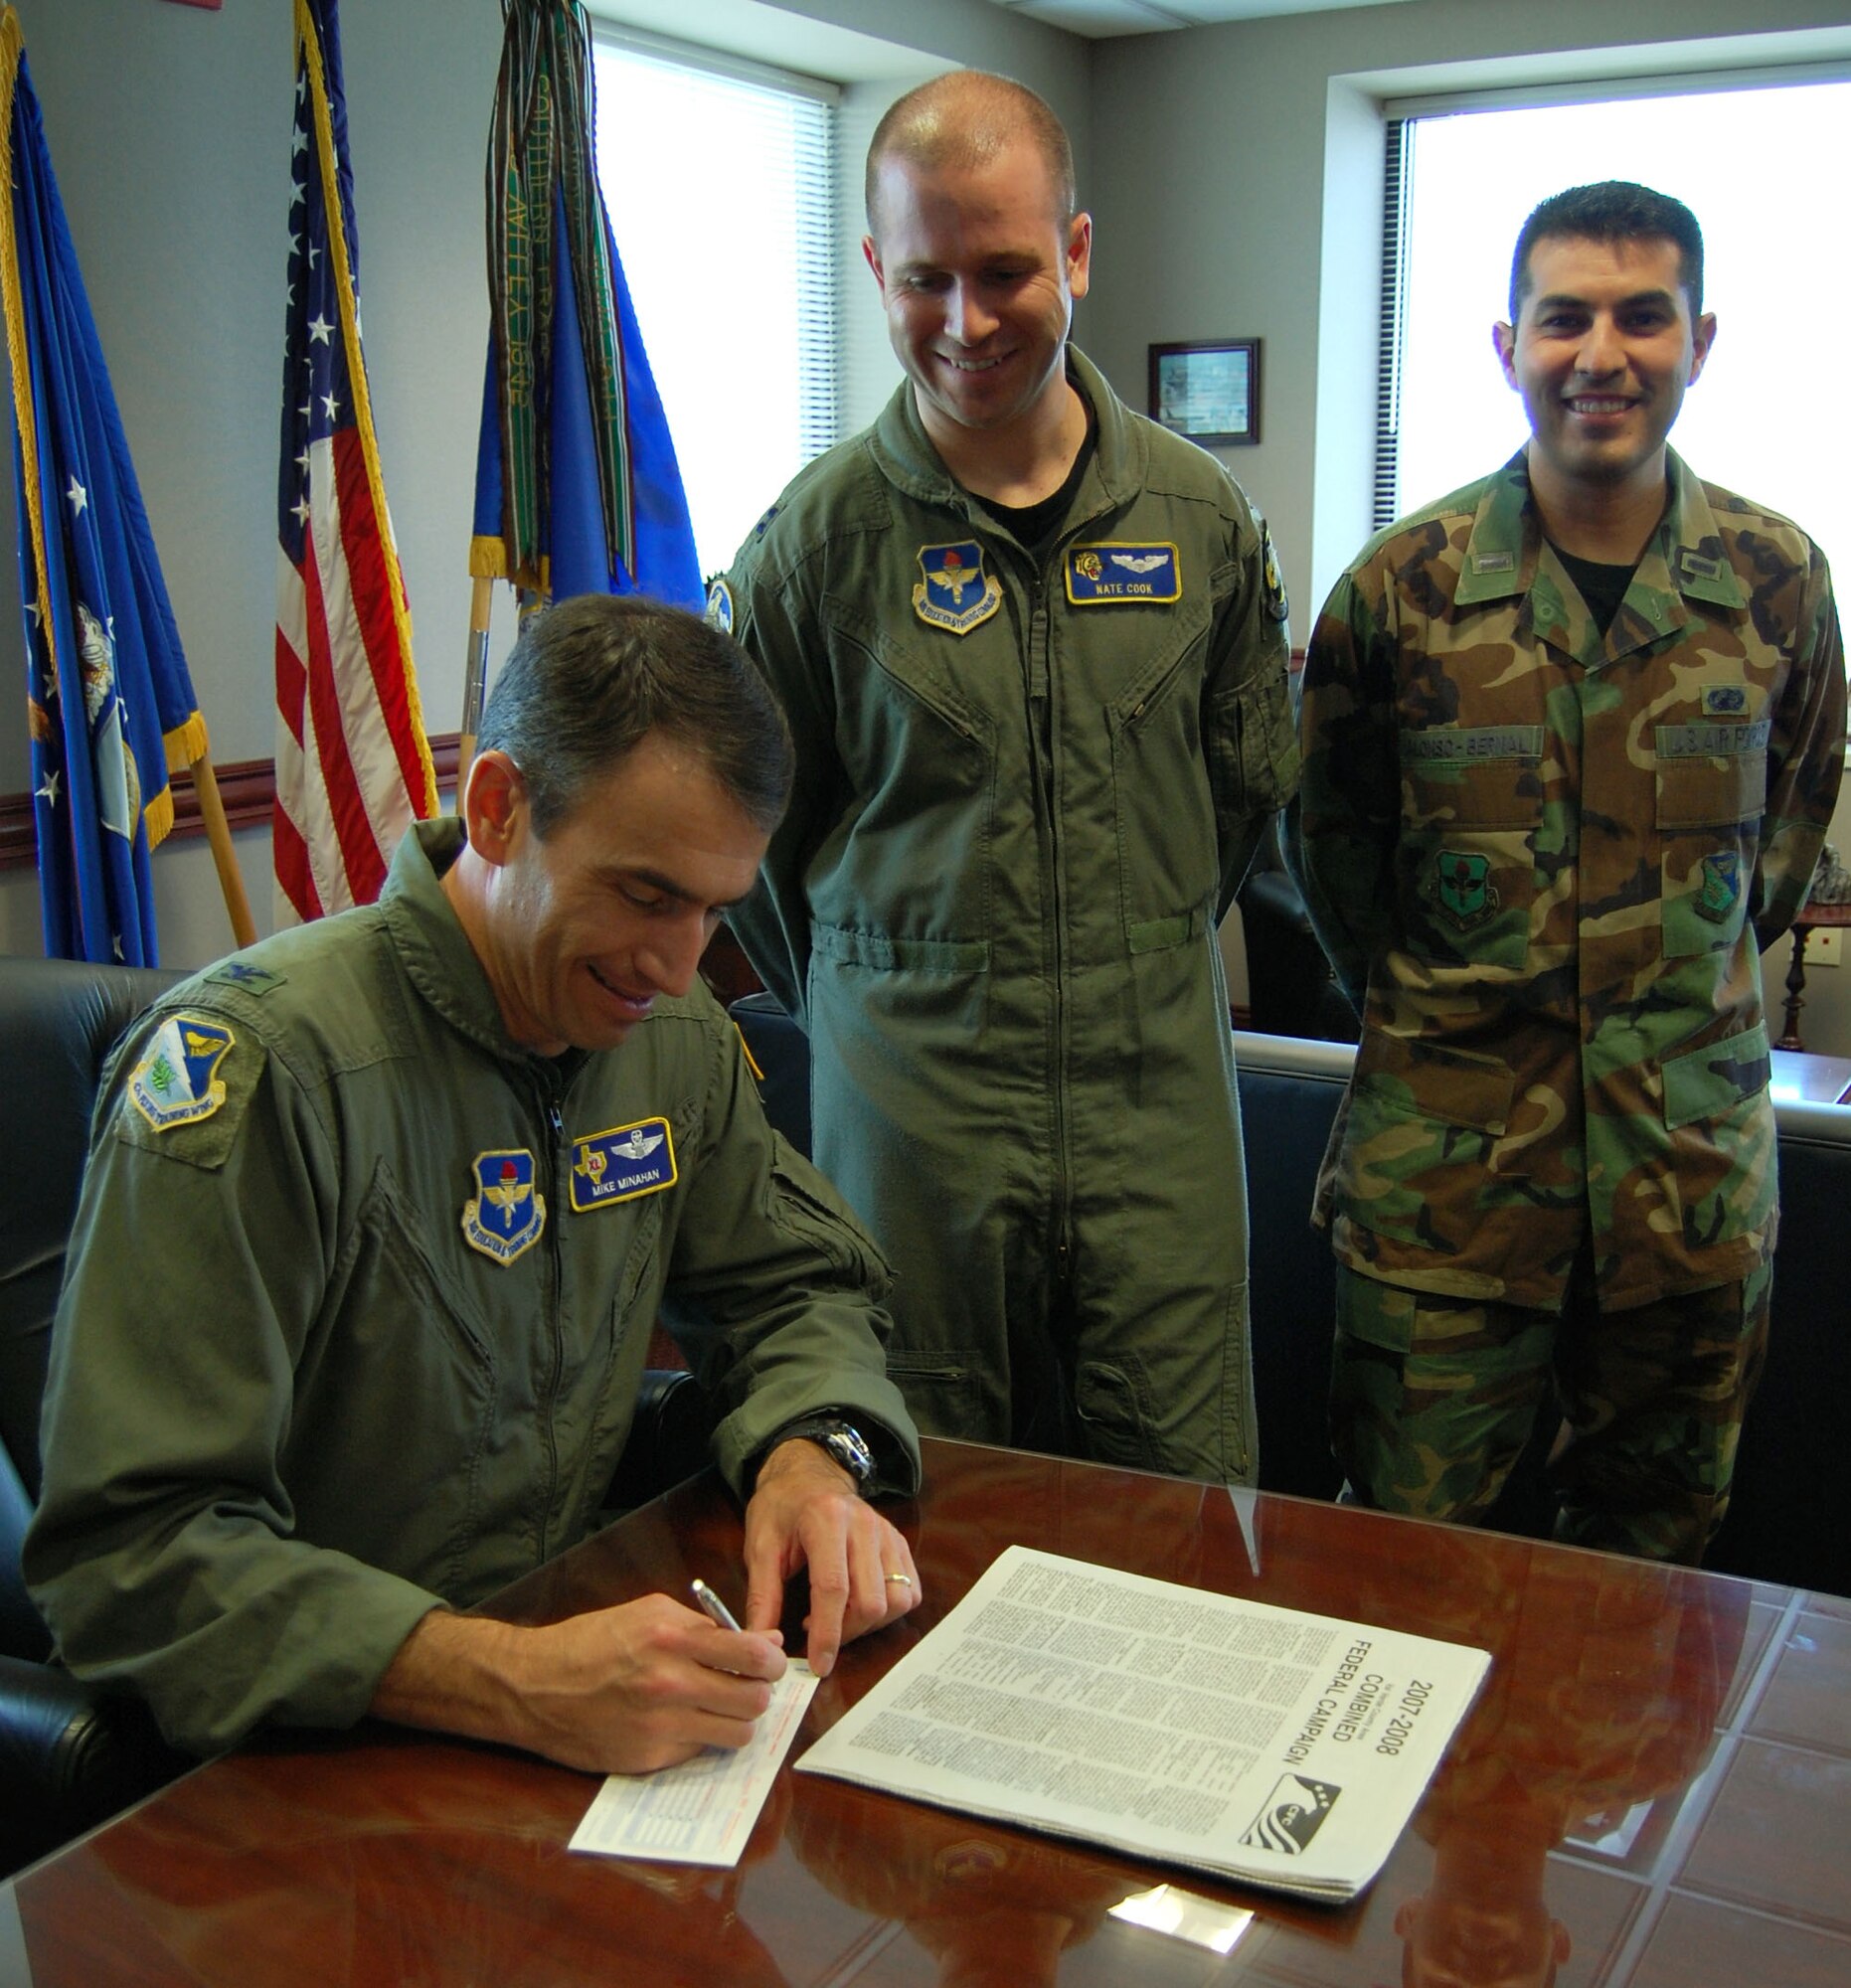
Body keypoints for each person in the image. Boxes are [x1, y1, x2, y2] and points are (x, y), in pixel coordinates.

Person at [25, 595, 924, 1772]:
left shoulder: (667, 1038)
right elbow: (133, 1555)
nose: (678, 965)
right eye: (646, 893)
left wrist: (810, 1450)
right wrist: (509, 1676)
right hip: (294, 1750)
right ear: (498, 809)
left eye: (713, 910)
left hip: (562, 1678)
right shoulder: (262, 1073)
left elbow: (791, 1285)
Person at [709, 71, 1297, 1484]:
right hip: (913, 1123)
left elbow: (1234, 808)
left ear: (1076, 254)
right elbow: (755, 864)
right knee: (930, 1492)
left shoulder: (1198, 523)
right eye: (925, 280)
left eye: (1005, 272)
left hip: (1152, 1113)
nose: (965, 322)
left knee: (1176, 1502)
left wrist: (1123, 944)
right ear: (874, 270)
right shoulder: (811, 551)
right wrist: (891, 985)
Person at [1290, 181, 1846, 1564]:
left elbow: (1778, 855)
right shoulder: (1399, 589)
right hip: (1446, 1194)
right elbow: (1335, 868)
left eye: (1641, 317)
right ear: (1507, 346)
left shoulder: (1776, 581)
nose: (1602, 354)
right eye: (1563, 319)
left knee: (1652, 1595)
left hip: (1683, 1197)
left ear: (1697, 340)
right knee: (1410, 1573)